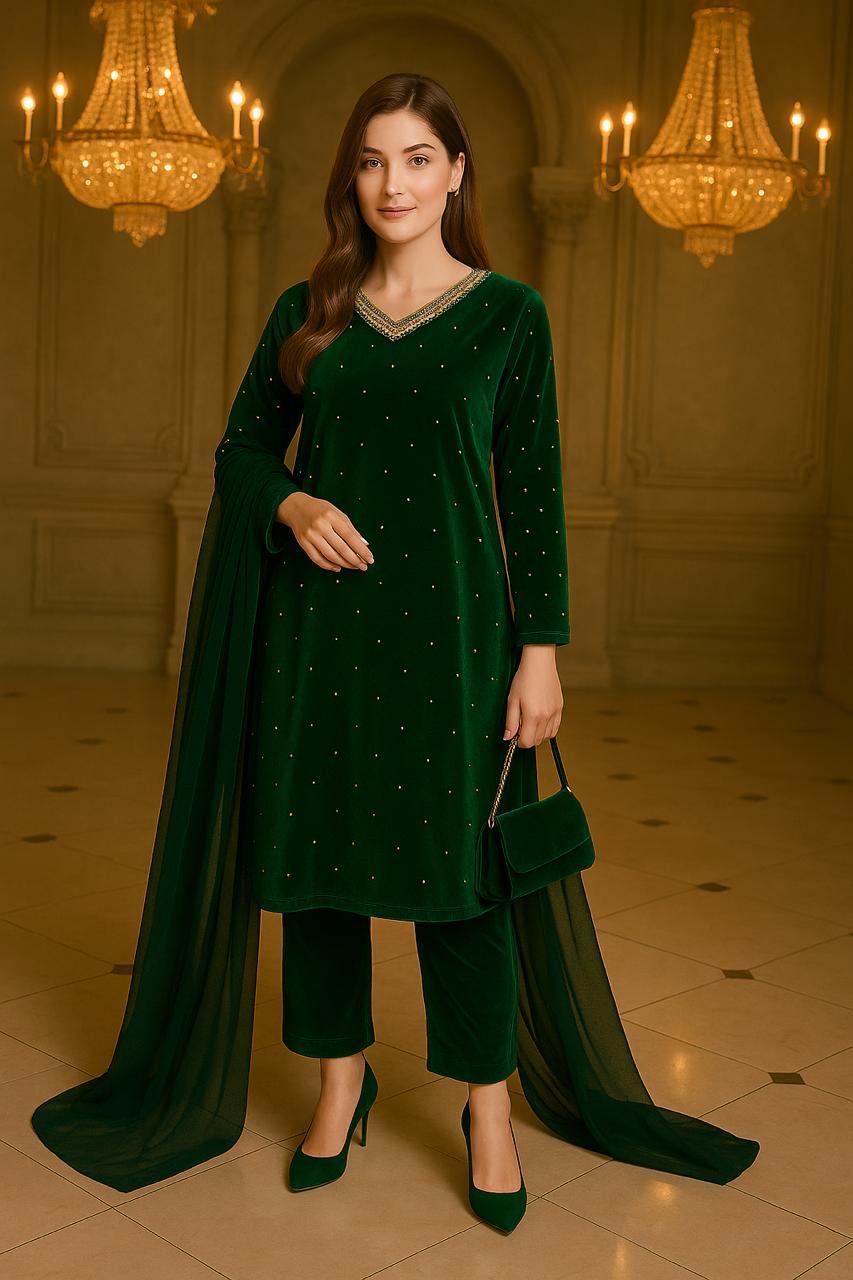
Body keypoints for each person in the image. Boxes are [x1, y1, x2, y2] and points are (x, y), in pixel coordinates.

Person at [30, 72, 759, 1233]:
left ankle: (485, 1107)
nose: (393, 184)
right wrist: (289, 505)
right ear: (349, 179)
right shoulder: (308, 309)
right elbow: (237, 451)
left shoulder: (509, 315)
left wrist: (541, 653)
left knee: (461, 886)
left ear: (457, 172)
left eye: (418, 158)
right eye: (372, 161)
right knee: (318, 872)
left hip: (459, 645)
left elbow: (533, 498)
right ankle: (337, 1082)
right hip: (317, 640)